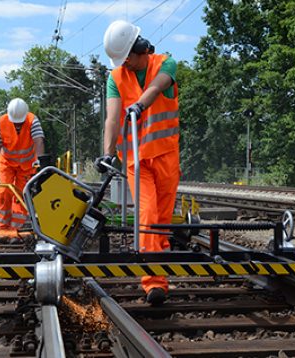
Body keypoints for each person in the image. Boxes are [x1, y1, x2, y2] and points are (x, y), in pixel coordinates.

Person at [96, 20, 180, 306]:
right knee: (147, 214)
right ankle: (154, 282)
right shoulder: (115, 77)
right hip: (135, 161)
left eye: (127, 58)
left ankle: (159, 261)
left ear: (140, 49)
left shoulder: (165, 64)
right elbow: (112, 118)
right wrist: (108, 152)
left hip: (166, 156)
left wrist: (141, 104)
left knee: (163, 222)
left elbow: (158, 87)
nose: (125, 64)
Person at [0, 98, 45, 231]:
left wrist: (39, 164)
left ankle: (15, 231)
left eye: (20, 123)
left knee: (21, 195)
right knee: (4, 192)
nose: (18, 126)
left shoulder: (32, 121)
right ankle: (3, 228)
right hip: (6, 163)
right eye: (15, 123)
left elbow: (39, 142)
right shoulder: (1, 123)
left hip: (27, 165)